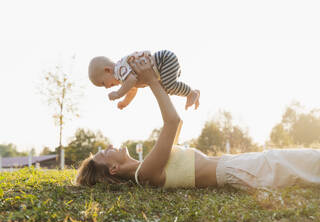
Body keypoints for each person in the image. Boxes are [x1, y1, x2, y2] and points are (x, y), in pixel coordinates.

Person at [77, 57, 320, 191]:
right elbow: (172, 122)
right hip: (238, 170)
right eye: (104, 153)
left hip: (238, 165)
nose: (108, 145)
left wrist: (156, 81)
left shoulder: (147, 164)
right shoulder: (145, 173)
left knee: (306, 162)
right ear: (113, 170)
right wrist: (151, 81)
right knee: (304, 162)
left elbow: (175, 128)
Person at [88, 50, 200, 110]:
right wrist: (125, 102)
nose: (107, 87)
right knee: (165, 88)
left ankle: (191, 93)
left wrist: (118, 94)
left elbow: (131, 81)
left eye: (103, 84)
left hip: (163, 61)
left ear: (107, 70)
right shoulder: (124, 74)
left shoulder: (119, 69)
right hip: (163, 65)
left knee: (168, 87)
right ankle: (191, 93)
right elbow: (132, 90)